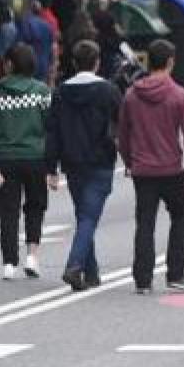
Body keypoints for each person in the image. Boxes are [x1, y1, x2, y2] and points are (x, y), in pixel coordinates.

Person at [117, 39, 184, 294]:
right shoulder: (180, 96)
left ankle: (143, 279)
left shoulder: (132, 96)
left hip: (142, 170)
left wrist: (129, 162)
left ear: (148, 62)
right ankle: (176, 273)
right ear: (170, 62)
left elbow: (123, 135)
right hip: (171, 169)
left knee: (145, 223)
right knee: (180, 214)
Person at [44, 39, 123, 290]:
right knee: (89, 216)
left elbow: (53, 132)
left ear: (74, 63)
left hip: (72, 162)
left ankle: (91, 273)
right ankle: (74, 266)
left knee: (84, 215)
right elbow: (122, 125)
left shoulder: (60, 92)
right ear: (97, 63)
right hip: (100, 161)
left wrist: (51, 167)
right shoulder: (109, 91)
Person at [0, 43, 53, 280]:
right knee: (35, 206)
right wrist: (52, 165)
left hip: (6, 159)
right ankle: (32, 255)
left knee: (8, 212)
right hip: (36, 158)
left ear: (9, 64)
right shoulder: (41, 92)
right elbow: (51, 127)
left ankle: (9, 263)